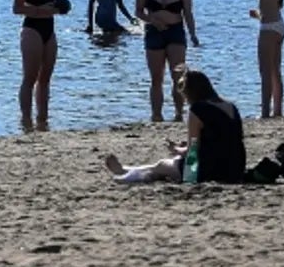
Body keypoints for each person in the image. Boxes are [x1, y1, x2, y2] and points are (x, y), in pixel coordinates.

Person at [103, 71, 245, 184]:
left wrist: (177, 149)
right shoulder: (230, 106)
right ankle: (125, 170)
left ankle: (126, 175)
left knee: (161, 165)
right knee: (166, 165)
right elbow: (223, 137)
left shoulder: (198, 109)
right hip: (235, 168)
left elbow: (193, 152)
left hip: (209, 169)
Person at [134, 0, 199, 123]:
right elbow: (138, 11)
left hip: (175, 32)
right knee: (156, 77)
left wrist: (193, 34)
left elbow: (188, 13)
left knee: (178, 75)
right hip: (154, 32)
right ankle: (157, 114)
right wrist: (153, 20)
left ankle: (178, 113)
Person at [13, 0, 66, 132]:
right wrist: (38, 10)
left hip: (49, 29)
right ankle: (26, 120)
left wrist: (60, 7)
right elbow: (17, 8)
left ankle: (42, 119)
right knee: (30, 77)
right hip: (32, 30)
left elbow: (53, 5)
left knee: (45, 78)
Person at [244, 0, 284, 119]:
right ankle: (277, 110)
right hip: (278, 25)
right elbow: (274, 4)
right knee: (276, 70)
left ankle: (264, 113)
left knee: (265, 71)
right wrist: (258, 15)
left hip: (268, 27)